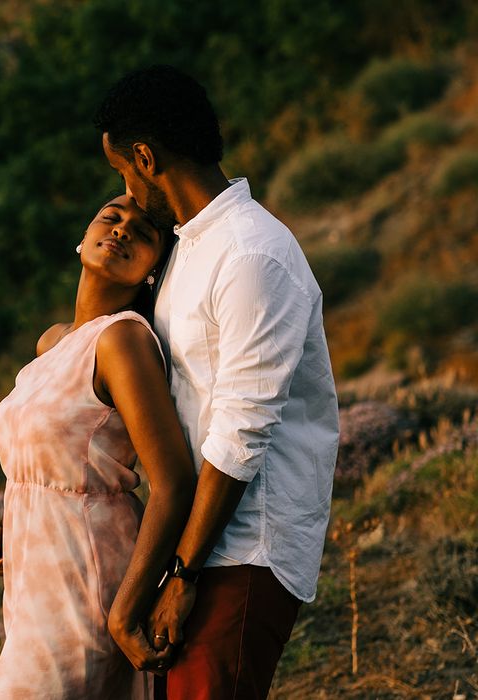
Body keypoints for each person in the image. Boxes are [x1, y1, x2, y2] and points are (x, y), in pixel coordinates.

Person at [94, 65, 340, 699]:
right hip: (202, 546)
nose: (124, 188)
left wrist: (182, 573)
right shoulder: (189, 249)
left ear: (146, 157)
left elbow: (240, 434)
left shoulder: (252, 253)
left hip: (241, 548)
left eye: (124, 172)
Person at [0, 194, 197, 699]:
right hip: (34, 586)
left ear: (153, 270)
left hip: (88, 578)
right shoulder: (53, 342)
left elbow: (174, 482)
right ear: (83, 238)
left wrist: (125, 611)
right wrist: (6, 522)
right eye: (111, 217)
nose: (122, 230)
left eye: (143, 233)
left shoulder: (122, 341)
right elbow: (51, 457)